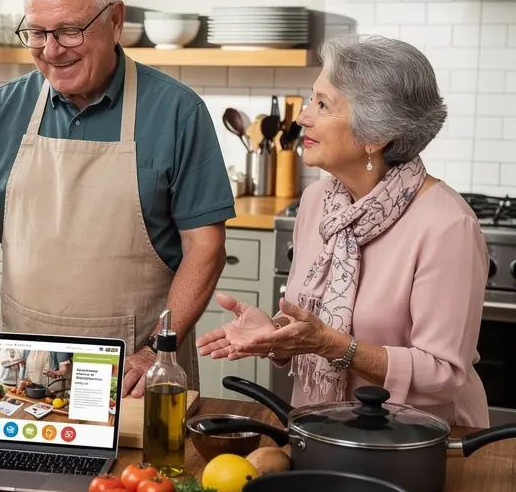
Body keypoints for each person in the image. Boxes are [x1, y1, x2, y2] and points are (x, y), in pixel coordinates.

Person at [0, 0, 233, 395]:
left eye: (69, 30)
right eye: (37, 32)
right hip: (20, 367)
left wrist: (156, 352)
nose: (51, 49)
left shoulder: (177, 112)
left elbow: (206, 249)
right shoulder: (3, 110)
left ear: (115, 21)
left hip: (135, 374)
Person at [197, 34, 489, 426]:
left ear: (376, 135)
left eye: (323, 104)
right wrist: (276, 335)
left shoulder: (448, 226)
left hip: (419, 443)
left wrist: (329, 345)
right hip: (325, 430)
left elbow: (442, 373)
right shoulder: (318, 202)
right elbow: (316, 326)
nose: (303, 117)